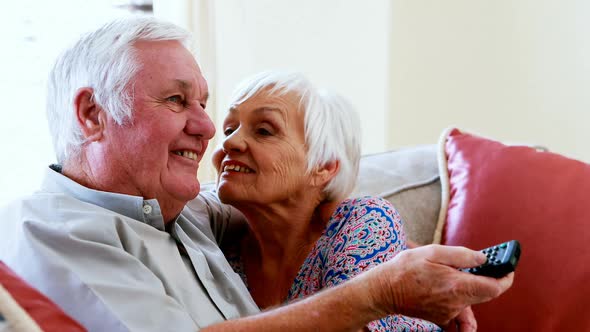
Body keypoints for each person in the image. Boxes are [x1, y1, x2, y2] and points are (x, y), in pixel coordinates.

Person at [0, 16, 513, 332]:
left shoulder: (179, 210)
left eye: (202, 103)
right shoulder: (53, 228)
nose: (211, 133)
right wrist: (382, 292)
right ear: (92, 115)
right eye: (178, 100)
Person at [212, 71, 442, 331]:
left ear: (323, 167)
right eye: (229, 129)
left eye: (264, 131)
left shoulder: (363, 223)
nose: (230, 142)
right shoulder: (217, 250)